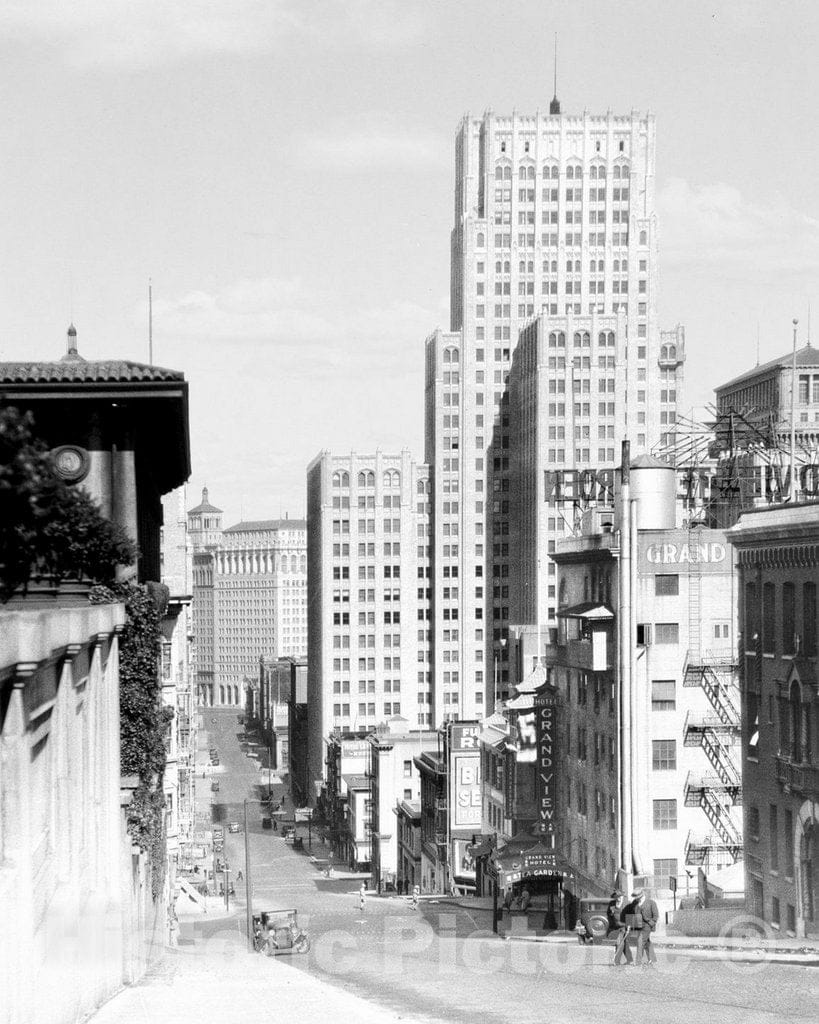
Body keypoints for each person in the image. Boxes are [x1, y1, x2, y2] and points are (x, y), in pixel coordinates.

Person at [625, 888, 659, 966]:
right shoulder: (634, 903)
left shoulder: (651, 903)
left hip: (647, 925)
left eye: (637, 896)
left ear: (641, 895)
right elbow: (632, 914)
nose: (635, 898)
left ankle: (638, 961)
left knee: (640, 941)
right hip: (638, 925)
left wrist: (651, 924)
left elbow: (656, 916)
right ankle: (652, 959)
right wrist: (629, 925)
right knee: (646, 941)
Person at [607, 889, 633, 965]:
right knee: (624, 943)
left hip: (623, 927)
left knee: (619, 942)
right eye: (617, 897)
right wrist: (611, 914)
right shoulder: (612, 905)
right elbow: (609, 915)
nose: (619, 898)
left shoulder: (626, 905)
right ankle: (630, 960)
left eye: (620, 897)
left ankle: (616, 961)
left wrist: (628, 926)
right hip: (615, 927)